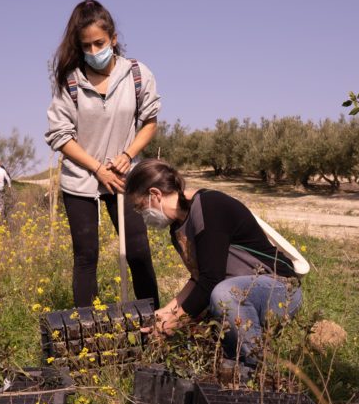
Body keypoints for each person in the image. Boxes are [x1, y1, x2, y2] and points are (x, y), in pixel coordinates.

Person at [124, 159, 302, 373]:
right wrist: (165, 312)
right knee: (194, 344)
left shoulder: (210, 206)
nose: (142, 215)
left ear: (155, 194)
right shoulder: (177, 228)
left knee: (222, 295)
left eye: (140, 207)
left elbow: (211, 280)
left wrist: (174, 322)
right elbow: (199, 278)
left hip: (278, 289)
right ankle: (233, 364)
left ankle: (257, 369)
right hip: (237, 293)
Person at [45, 0, 161, 308]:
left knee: (138, 252)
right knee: (86, 256)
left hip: (124, 178)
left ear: (113, 38)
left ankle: (153, 327)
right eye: (87, 46)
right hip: (82, 179)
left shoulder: (136, 74)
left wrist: (128, 154)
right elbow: (60, 136)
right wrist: (97, 168)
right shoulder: (69, 81)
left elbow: (149, 122)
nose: (95, 52)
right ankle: (89, 334)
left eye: (100, 43)